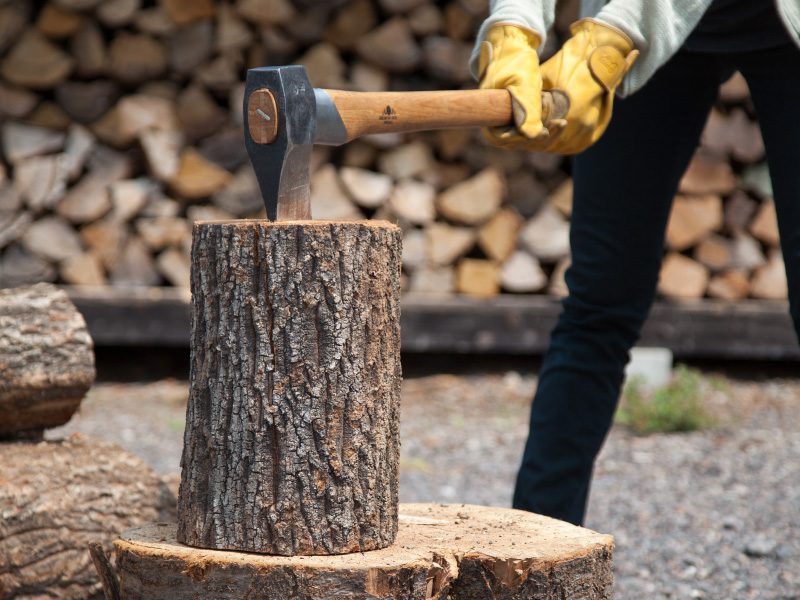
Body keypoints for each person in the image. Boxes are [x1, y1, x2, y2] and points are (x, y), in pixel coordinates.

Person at [473, 0, 800, 526]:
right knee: (598, 304)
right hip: (638, 28)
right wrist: (513, 24)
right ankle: (535, 555)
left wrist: (617, 28)